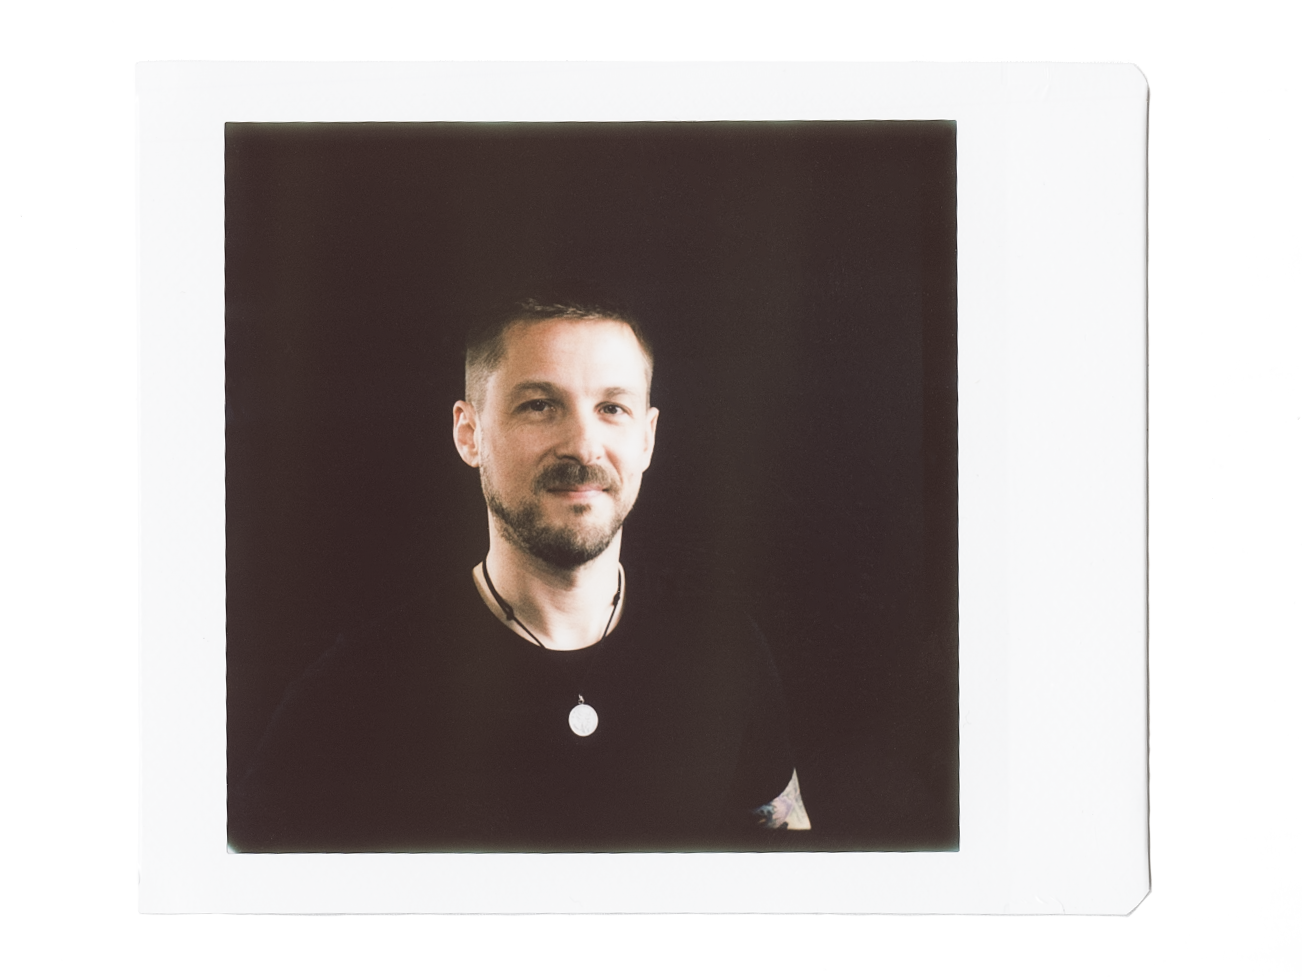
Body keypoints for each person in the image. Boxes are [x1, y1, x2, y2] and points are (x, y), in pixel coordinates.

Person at [229, 289, 809, 852]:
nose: (583, 445)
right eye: (540, 405)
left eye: (612, 408)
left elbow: (789, 861)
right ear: (470, 434)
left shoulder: (724, 654)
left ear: (647, 439)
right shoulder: (351, 693)